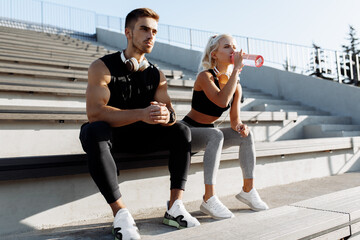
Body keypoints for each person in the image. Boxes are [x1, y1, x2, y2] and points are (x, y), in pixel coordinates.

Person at [79, 8, 199, 240]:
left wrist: (167, 116)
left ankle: (175, 207)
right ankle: (121, 214)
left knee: (181, 130)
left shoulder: (157, 74)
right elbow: (95, 113)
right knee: (93, 130)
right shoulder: (101, 67)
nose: (150, 35)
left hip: (142, 137)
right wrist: (142, 113)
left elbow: (172, 112)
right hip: (111, 138)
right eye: (144, 29)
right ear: (128, 32)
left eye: (154, 31)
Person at [181, 34, 269, 219]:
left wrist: (241, 127)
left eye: (235, 47)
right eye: (227, 47)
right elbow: (221, 102)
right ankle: (209, 198)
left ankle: (248, 190)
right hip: (188, 131)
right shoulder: (205, 77)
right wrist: (236, 69)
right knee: (216, 135)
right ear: (214, 54)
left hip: (209, 131)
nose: (233, 51)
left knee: (246, 136)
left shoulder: (236, 84)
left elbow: (235, 119)